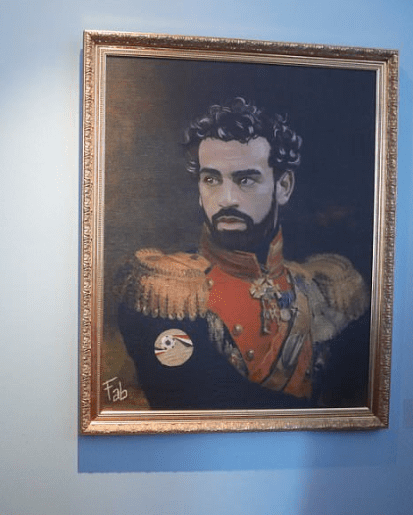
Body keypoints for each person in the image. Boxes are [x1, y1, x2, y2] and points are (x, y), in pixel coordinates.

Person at [117, 97, 370, 410]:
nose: (226, 199)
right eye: (211, 179)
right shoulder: (166, 291)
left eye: (245, 180)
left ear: (284, 186)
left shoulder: (323, 289)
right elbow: (193, 404)